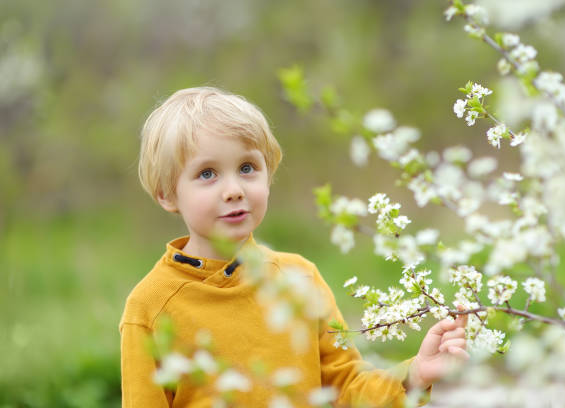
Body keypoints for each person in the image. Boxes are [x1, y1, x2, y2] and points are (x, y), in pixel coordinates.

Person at [119, 86, 469, 408]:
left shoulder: (299, 279)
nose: (234, 189)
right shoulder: (150, 308)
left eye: (247, 167)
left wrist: (415, 374)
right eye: (207, 173)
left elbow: (345, 388)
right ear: (167, 193)